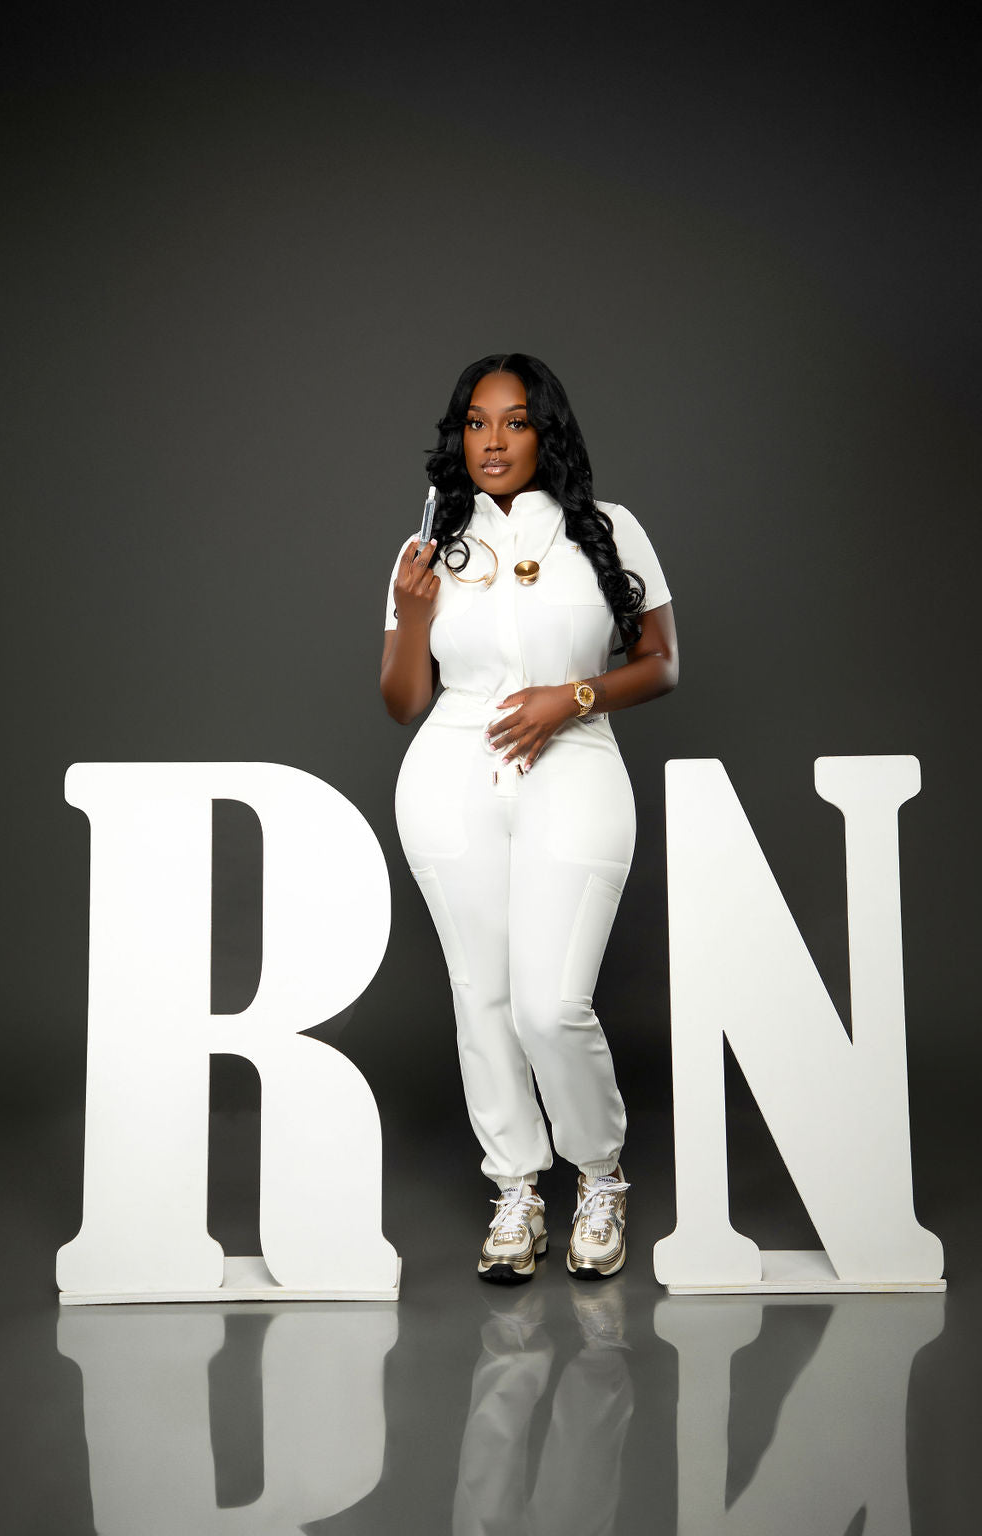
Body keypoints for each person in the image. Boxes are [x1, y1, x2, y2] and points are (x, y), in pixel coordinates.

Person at [380, 353, 678, 1282]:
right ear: (459, 435)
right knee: (483, 997)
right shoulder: (431, 547)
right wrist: (411, 614)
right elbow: (403, 701)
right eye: (477, 422)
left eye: (514, 422)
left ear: (546, 433)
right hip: (452, 772)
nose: (494, 441)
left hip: (573, 760)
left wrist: (573, 696)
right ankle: (515, 1188)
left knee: (551, 1006)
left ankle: (600, 1174)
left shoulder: (609, 530)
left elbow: (662, 663)